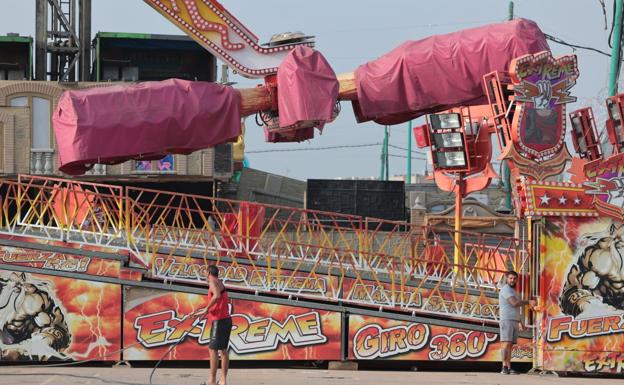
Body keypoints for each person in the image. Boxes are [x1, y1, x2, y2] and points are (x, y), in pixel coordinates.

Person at [498, 270, 535, 375]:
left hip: (513, 320)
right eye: (510, 278)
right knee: (505, 343)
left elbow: (515, 308)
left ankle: (508, 367)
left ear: (517, 280)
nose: (512, 280)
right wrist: (528, 302)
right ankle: (504, 367)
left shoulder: (514, 291)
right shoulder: (506, 290)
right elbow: (514, 303)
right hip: (506, 320)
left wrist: (519, 321)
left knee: (509, 345)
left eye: (514, 278)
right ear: (506, 279)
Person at [204, 265, 232, 385]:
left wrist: (206, 308)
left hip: (219, 321)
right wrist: (206, 311)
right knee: (223, 350)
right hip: (226, 320)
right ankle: (223, 380)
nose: (205, 274)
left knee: (212, 349)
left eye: (205, 272)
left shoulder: (213, 282)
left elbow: (216, 296)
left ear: (208, 272)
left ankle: (212, 380)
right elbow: (219, 300)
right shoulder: (219, 282)